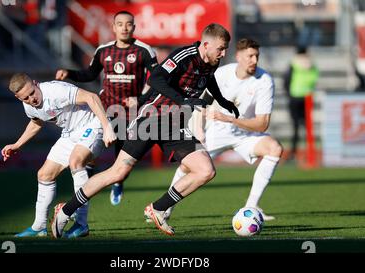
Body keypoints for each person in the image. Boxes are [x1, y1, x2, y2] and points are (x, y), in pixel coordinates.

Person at [51, 23, 239, 238]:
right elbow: (155, 79)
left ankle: (158, 208)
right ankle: (65, 211)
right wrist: (183, 99)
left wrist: (222, 100)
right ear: (206, 44)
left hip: (175, 125)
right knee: (117, 172)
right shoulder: (184, 55)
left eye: (225, 49)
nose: (223, 54)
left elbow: (208, 79)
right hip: (152, 119)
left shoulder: (211, 62)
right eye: (221, 49)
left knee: (206, 170)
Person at [163, 38, 282, 221]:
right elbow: (203, 103)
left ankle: (251, 206)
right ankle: (165, 208)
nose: (254, 61)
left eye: (257, 56)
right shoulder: (222, 73)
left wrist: (229, 119)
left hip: (246, 134)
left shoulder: (264, 80)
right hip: (216, 132)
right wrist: (198, 130)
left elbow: (262, 124)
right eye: (250, 56)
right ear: (239, 56)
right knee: (187, 165)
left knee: (274, 149)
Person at [55, 10, 158, 206]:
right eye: (120, 24)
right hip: (105, 109)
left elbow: (157, 79)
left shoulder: (144, 50)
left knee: (122, 160)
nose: (124, 28)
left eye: (128, 24)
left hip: (130, 113)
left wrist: (141, 99)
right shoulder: (103, 51)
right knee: (91, 150)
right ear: (113, 27)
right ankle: (85, 190)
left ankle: (118, 182)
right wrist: (69, 73)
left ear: (134, 27)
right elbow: (90, 74)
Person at [1, 73, 116, 238]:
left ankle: (81, 224)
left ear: (36, 82)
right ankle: (39, 227)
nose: (32, 99)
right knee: (44, 175)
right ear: (18, 98)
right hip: (69, 134)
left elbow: (92, 97)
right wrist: (17, 145)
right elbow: (36, 122)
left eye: (32, 92)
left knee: (76, 161)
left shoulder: (56, 90)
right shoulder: (28, 105)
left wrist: (107, 127)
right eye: (25, 98)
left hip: (92, 124)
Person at [283, 46, 318, 160]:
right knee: (308, 126)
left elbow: (286, 80)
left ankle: (294, 152)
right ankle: (310, 152)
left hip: (295, 96)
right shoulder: (312, 65)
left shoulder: (293, 64)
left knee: (296, 126)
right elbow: (315, 79)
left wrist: (288, 93)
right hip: (307, 97)